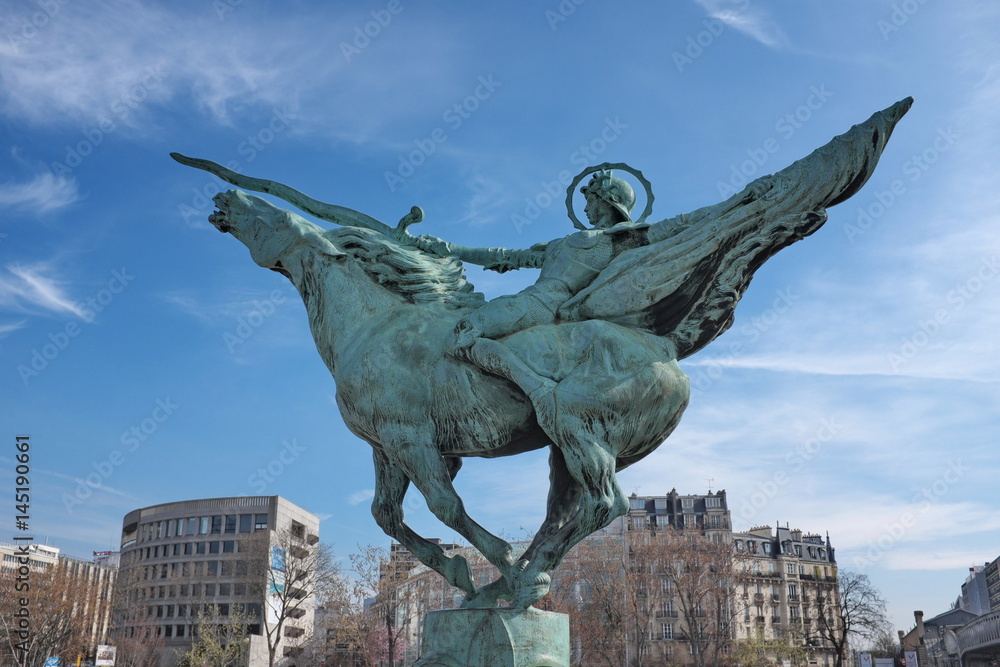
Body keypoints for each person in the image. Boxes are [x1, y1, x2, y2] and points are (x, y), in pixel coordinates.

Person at [413, 170, 651, 402]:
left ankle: (538, 390)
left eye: (590, 200)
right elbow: (505, 255)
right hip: (531, 301)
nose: (586, 208)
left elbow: (674, 227)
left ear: (608, 200)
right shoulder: (561, 244)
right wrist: (449, 248)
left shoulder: (620, 240)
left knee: (460, 333)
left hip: (537, 305)